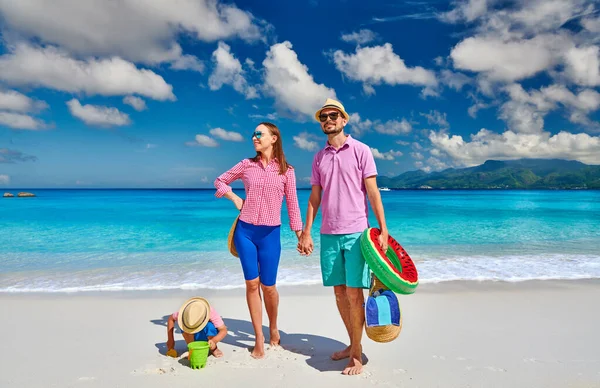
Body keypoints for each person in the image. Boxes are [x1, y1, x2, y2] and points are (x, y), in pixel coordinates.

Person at [297, 98, 389, 376]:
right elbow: (315, 197)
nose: (328, 120)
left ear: (344, 119)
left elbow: (373, 192)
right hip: (328, 234)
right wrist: (306, 230)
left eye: (333, 115)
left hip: (356, 232)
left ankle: (357, 354)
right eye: (323, 117)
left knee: (353, 293)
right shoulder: (319, 157)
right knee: (338, 293)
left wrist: (384, 230)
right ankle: (352, 344)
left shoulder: (361, 150)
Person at [214, 122, 303, 359]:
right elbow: (220, 181)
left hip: (270, 235)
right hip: (245, 232)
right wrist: (234, 197)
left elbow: (293, 205)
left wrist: (300, 235)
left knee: (269, 287)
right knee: (252, 285)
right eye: (253, 134)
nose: (254, 137)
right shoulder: (246, 165)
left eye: (259, 134)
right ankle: (258, 337)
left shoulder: (287, 171)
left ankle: (273, 327)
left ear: (274, 138)